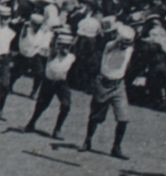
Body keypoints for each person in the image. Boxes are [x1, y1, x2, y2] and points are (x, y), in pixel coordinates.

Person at [83, 22, 136, 159]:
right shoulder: (110, 47)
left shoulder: (129, 49)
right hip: (103, 84)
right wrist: (119, 38)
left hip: (119, 85)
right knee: (96, 116)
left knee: (123, 118)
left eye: (128, 43)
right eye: (123, 43)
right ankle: (88, 140)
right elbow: (113, 44)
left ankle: (116, 147)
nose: (125, 45)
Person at [23, 28, 77, 139]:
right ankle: (31, 123)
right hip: (48, 82)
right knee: (41, 105)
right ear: (59, 45)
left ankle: (57, 129)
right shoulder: (52, 54)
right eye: (63, 45)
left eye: (67, 46)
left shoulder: (71, 57)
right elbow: (52, 46)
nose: (65, 48)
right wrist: (55, 36)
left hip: (61, 83)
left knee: (66, 105)